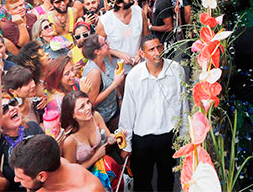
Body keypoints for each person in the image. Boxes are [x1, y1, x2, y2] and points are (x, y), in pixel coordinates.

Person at [118, 35, 187, 192]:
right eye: (151, 49)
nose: (157, 53)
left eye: (159, 47)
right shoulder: (134, 76)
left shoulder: (176, 70)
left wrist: (184, 134)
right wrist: (126, 144)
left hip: (168, 137)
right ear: (142, 53)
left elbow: (184, 104)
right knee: (142, 181)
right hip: (142, 139)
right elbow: (128, 111)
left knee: (167, 179)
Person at [59, 91, 121, 191]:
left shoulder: (95, 116)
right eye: (82, 107)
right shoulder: (70, 140)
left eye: (88, 102)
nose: (88, 107)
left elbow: (109, 136)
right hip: (84, 181)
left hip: (103, 170)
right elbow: (72, 172)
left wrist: (118, 136)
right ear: (73, 114)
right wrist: (96, 156)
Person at [10, 134, 105, 192]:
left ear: (42, 176)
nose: (15, 180)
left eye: (20, 178)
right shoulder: (47, 165)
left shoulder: (89, 189)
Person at [96, 0, 149, 75]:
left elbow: (147, 37)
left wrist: (140, 52)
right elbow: (98, 47)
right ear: (119, 3)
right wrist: (118, 54)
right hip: (119, 71)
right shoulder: (104, 21)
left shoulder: (139, 12)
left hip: (140, 67)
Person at [81, 35, 123, 130]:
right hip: (103, 119)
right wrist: (115, 84)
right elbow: (92, 102)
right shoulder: (94, 72)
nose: (108, 44)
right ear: (97, 51)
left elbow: (113, 78)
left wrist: (119, 97)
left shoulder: (106, 57)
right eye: (104, 43)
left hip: (114, 108)